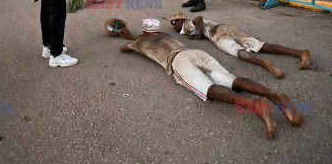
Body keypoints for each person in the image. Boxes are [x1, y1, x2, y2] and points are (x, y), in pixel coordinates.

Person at [118, 19, 304, 139]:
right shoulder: (165, 34)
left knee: (208, 88)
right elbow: (152, 37)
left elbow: (124, 48)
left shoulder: (140, 42)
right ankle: (272, 95)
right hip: (196, 52)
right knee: (231, 79)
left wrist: (128, 35)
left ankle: (253, 104)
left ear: (144, 32)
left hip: (178, 61)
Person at [169, 12, 311, 79]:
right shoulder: (186, 26)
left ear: (181, 20)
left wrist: (199, 36)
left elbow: (198, 18)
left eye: (174, 22)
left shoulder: (186, 25)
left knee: (238, 51)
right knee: (257, 44)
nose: (173, 26)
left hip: (216, 34)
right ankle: (300, 53)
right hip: (224, 27)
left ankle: (266, 65)